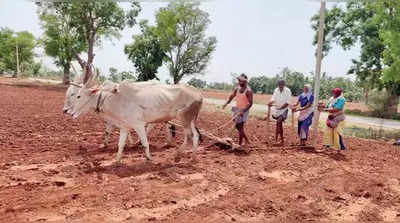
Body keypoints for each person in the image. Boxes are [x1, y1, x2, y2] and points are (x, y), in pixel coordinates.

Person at [222, 74, 253, 148]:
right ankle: (247, 140)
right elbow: (232, 96)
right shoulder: (237, 88)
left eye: (241, 81)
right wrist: (226, 103)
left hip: (244, 110)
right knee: (237, 126)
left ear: (245, 82)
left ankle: (240, 144)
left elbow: (250, 103)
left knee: (240, 126)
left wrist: (243, 110)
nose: (239, 82)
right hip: (237, 109)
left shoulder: (248, 91)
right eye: (239, 81)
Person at [268, 80, 292, 146]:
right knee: (279, 124)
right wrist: (271, 102)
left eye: (282, 85)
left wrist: (281, 107)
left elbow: (288, 102)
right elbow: (273, 98)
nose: (280, 86)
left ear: (284, 85)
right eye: (279, 85)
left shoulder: (288, 91)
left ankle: (277, 139)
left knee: (278, 122)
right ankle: (280, 140)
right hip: (277, 110)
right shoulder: (276, 90)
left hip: (284, 110)